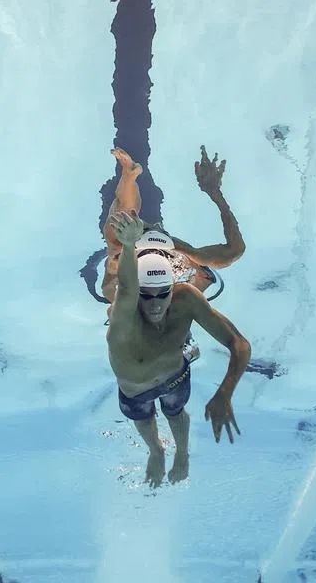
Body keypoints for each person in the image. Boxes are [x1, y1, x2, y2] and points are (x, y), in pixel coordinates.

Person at [106, 210, 252, 488]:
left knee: (176, 413)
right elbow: (125, 289)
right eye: (146, 296)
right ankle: (156, 451)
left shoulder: (185, 297)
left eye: (163, 293)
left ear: (173, 287)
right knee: (145, 420)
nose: (156, 304)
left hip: (176, 377)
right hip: (134, 391)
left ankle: (182, 453)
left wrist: (225, 393)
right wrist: (127, 245)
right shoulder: (123, 314)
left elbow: (239, 345)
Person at [101, 145, 245, 306]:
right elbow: (235, 250)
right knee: (120, 235)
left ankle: (129, 175)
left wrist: (112, 269)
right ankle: (130, 175)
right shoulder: (190, 290)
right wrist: (215, 193)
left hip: (136, 245)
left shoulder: (122, 301)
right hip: (167, 249)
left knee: (116, 241)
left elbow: (109, 286)